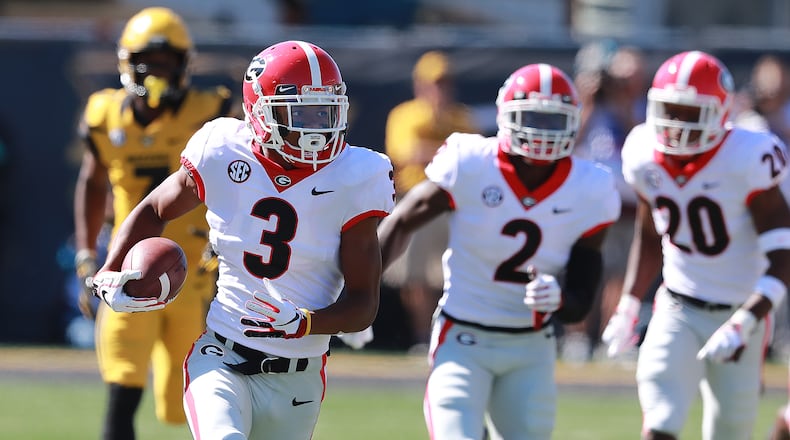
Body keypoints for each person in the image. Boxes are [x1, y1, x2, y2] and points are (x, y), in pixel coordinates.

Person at [88, 40, 395, 440]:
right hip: (222, 354)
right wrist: (110, 271)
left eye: (325, 113)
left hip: (297, 380)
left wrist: (305, 323)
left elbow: (363, 304)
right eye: (300, 114)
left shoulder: (356, 175)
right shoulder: (222, 149)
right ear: (260, 112)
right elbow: (154, 209)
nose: (315, 130)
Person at [378, 63, 621, 439]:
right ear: (506, 117)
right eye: (531, 118)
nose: (540, 133)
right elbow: (401, 221)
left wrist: (559, 297)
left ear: (573, 123)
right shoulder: (472, 162)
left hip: (530, 348)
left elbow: (581, 299)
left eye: (552, 122)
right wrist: (355, 292)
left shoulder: (589, 188)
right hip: (463, 337)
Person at [601, 50, 790, 440]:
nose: (675, 123)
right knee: (661, 412)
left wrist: (748, 319)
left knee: (730, 430)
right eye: (669, 109)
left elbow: (783, 252)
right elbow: (651, 236)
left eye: (689, 112)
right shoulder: (642, 152)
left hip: (742, 309)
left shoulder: (748, 155)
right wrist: (630, 304)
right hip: (678, 303)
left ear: (720, 113)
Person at [72, 7, 234, 439]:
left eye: (167, 61)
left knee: (179, 407)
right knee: (122, 388)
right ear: (127, 62)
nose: (156, 72)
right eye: (148, 61)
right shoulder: (105, 115)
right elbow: (92, 181)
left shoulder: (211, 111)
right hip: (128, 271)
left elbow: (244, 179)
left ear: (185, 64)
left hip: (196, 278)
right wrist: (89, 253)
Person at [383, 50, 478, 349]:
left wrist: (432, 150)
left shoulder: (461, 115)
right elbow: (407, 153)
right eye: (435, 83)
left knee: (451, 276)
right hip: (417, 202)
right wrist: (447, 151)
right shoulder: (405, 114)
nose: (440, 89)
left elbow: (473, 157)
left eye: (445, 82)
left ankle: (446, 335)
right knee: (416, 276)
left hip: (453, 203)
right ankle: (422, 338)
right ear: (420, 84)